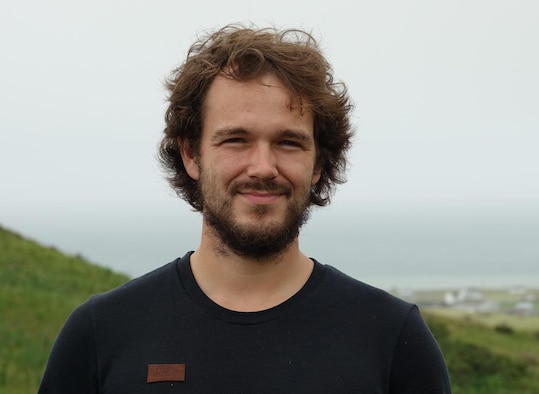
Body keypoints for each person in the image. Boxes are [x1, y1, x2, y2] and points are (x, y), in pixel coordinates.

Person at [39, 24, 451, 393]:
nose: (263, 168)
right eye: (236, 140)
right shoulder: (102, 333)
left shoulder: (392, 339)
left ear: (318, 164)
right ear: (191, 154)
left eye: (288, 142)